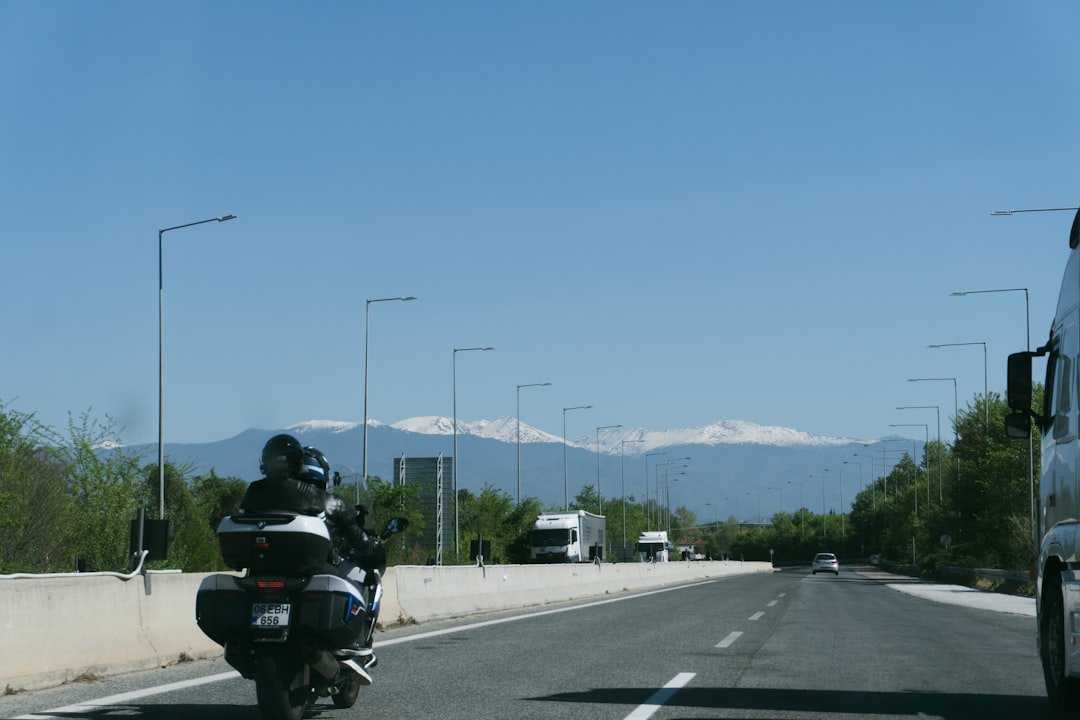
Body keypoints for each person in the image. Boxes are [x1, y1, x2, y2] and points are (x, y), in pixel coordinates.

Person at [239, 435, 380, 679]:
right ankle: (354, 646)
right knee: (355, 586)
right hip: (311, 569)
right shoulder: (323, 500)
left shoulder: (254, 492)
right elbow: (358, 538)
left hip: (260, 570)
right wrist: (372, 549)